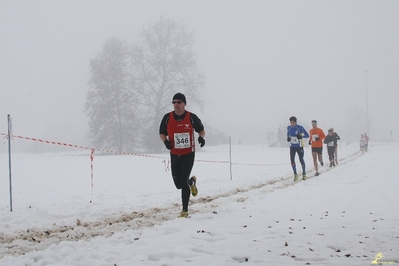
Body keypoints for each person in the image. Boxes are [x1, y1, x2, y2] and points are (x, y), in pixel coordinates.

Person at [159, 93, 205, 218]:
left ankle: (184, 210)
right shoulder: (167, 118)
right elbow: (162, 133)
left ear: (184, 103)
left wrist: (201, 138)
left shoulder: (191, 117)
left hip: (188, 154)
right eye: (174, 102)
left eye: (179, 102)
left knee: (183, 181)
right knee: (178, 184)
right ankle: (192, 182)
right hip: (174, 154)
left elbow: (201, 130)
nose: (176, 104)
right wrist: (165, 141)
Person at [287, 116, 309, 181]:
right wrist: (288, 138)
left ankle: (304, 173)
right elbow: (288, 135)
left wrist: (301, 136)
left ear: (295, 122)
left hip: (299, 147)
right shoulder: (289, 128)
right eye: (291, 122)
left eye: (293, 122)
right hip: (292, 146)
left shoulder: (300, 127)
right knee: (292, 160)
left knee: (301, 159)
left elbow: (307, 135)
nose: (292, 124)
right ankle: (295, 174)